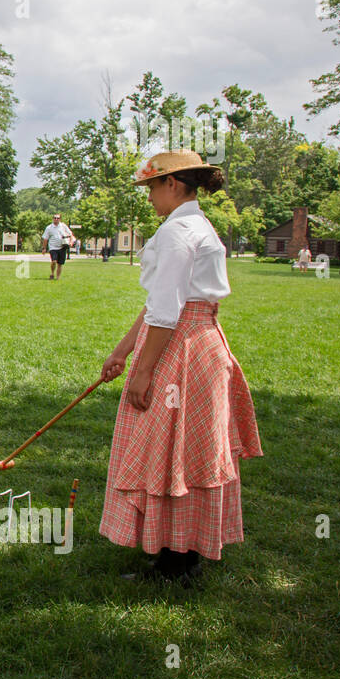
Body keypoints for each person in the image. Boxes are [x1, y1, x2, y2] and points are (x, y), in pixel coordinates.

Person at [98, 150, 262, 585]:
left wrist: (145, 370)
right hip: (197, 341)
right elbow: (160, 303)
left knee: (173, 449)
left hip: (182, 347)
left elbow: (168, 313)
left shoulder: (177, 232)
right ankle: (179, 554)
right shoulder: (193, 225)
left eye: (152, 186)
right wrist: (123, 350)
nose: (149, 196)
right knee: (184, 449)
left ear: (173, 184)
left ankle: (176, 563)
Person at [41, 213, 74, 280]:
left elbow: (70, 234)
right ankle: (52, 273)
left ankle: (58, 277)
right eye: (55, 218)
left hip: (62, 247)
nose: (56, 219)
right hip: (53, 247)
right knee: (54, 261)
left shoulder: (63, 226)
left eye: (58, 218)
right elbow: (45, 238)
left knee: (60, 263)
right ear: (53, 219)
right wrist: (44, 248)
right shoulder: (49, 228)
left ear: (60, 219)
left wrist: (70, 242)